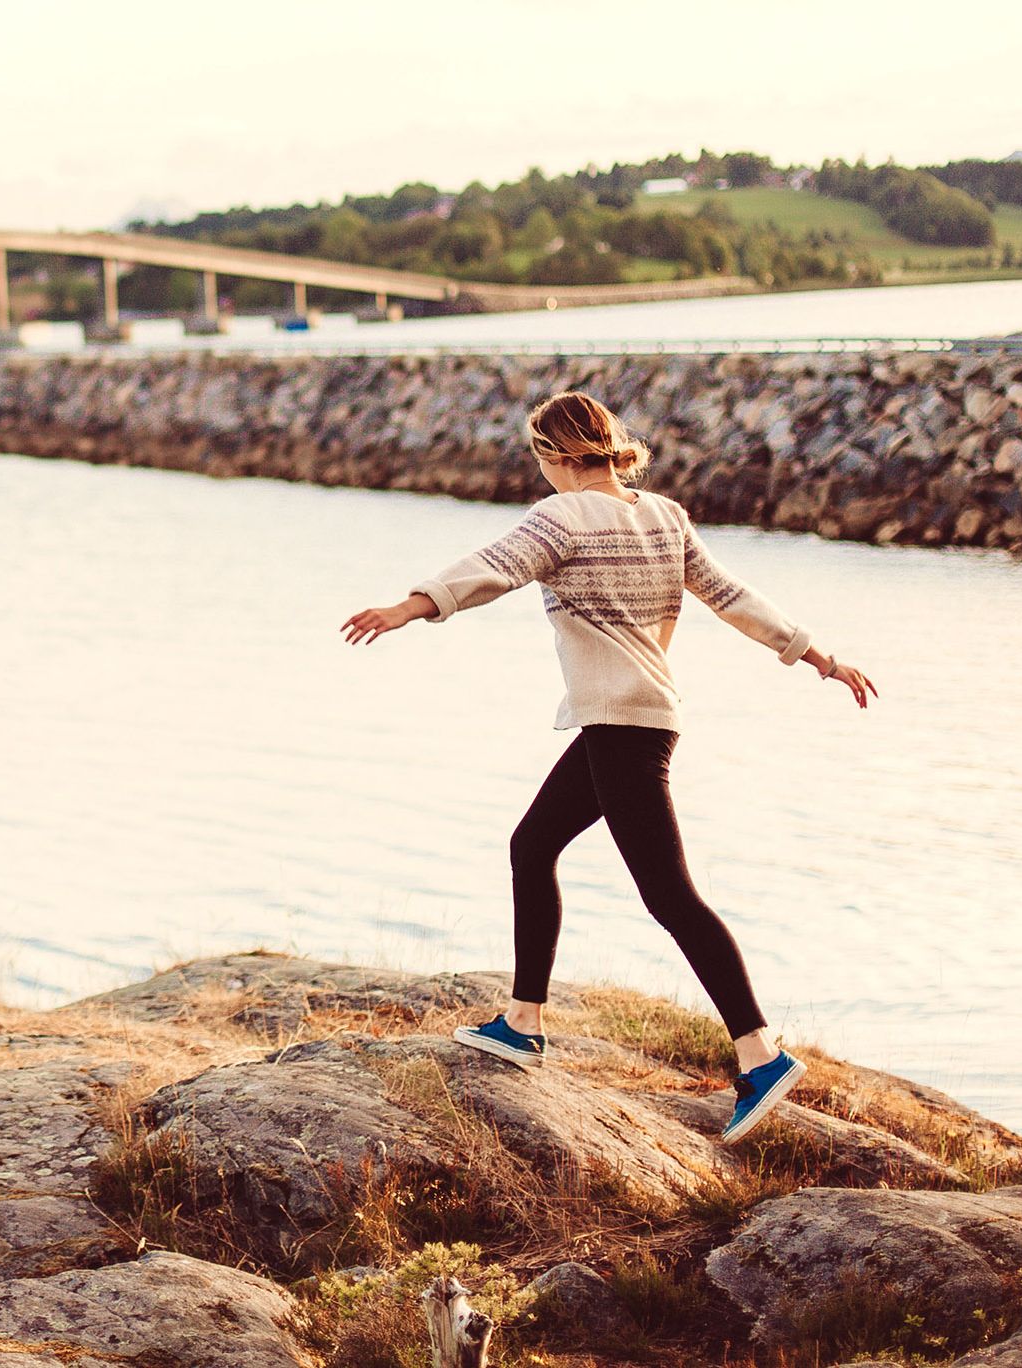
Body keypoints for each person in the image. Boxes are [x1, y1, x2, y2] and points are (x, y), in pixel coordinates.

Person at [339, 390, 876, 1140]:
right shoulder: (664, 515)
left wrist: (412, 606)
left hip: (624, 726)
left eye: (541, 459)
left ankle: (760, 1054)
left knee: (669, 896)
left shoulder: (559, 517)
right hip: (631, 722)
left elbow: (493, 569)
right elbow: (732, 596)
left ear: (555, 456)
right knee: (533, 846)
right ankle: (522, 1020)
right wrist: (816, 655)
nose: (544, 472)